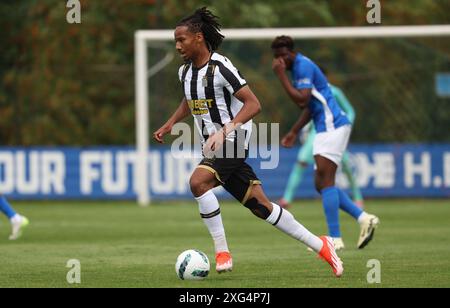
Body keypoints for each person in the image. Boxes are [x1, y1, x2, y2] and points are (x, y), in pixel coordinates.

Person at [153, 7, 343, 277]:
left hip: (234, 139)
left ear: (198, 37)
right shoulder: (184, 73)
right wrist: (172, 122)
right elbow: (190, 98)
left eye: (181, 39)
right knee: (260, 206)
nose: (177, 45)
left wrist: (225, 130)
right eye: (176, 40)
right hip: (215, 145)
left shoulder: (221, 67)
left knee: (198, 182)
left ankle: (222, 251)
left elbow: (254, 104)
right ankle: (321, 245)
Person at [271, 35, 379, 250]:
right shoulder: (298, 68)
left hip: (333, 125)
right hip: (324, 126)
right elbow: (310, 107)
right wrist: (294, 131)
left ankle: (335, 239)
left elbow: (301, 100)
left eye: (284, 56)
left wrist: (281, 75)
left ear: (292, 53)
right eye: (277, 57)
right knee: (320, 184)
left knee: (326, 180)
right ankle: (363, 218)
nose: (281, 61)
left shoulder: (302, 67)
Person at [278, 67, 365, 215]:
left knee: (345, 164)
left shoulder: (335, 92)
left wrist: (345, 127)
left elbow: (350, 111)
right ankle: (287, 199)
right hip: (316, 133)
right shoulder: (312, 94)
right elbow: (311, 113)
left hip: (334, 132)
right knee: (301, 162)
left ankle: (357, 197)